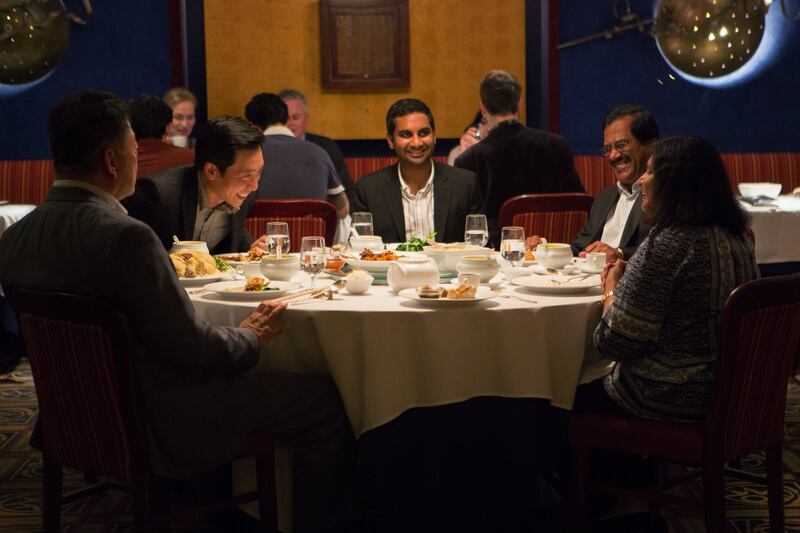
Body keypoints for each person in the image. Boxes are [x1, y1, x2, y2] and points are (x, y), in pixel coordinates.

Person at [0, 91, 360, 532]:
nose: (139, 159)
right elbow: (189, 347)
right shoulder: (126, 238)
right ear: (113, 161)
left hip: (73, 417)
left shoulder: (14, 239)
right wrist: (249, 336)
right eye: (135, 149)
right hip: (159, 415)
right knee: (321, 400)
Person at [576, 135, 759, 422]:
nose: (640, 181)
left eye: (650, 172)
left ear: (674, 184)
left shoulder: (669, 243)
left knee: (567, 393)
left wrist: (611, 287)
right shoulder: (739, 236)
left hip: (671, 397)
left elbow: (614, 343)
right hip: (739, 393)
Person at [455, 70, 584, 248]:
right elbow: (580, 205)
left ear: (483, 110)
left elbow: (466, 226)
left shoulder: (469, 159)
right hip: (555, 251)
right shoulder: (558, 145)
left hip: (498, 255)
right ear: (520, 105)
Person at [526, 105, 659, 261]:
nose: (613, 155)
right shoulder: (605, 198)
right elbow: (580, 248)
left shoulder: (661, 197)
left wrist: (619, 254)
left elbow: (662, 254)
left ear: (651, 145)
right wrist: (545, 247)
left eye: (622, 145)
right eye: (607, 149)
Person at [123, 115, 266, 255]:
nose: (254, 186)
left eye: (258, 173)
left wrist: (250, 250)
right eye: (246, 175)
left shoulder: (241, 194)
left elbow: (232, 237)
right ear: (211, 171)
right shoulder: (158, 196)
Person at [351, 98, 482, 243]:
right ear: (390, 140)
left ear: (434, 136)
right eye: (406, 135)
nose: (416, 143)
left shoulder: (465, 184)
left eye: (424, 133)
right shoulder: (368, 189)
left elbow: (479, 248)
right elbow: (358, 249)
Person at [244, 92, 349, 219]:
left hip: (259, 236)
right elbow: (343, 208)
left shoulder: (246, 154)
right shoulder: (319, 152)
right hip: (311, 236)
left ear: (253, 127)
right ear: (287, 120)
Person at [278, 88, 357, 203]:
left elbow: (347, 191)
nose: (290, 124)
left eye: (296, 118)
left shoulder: (326, 147)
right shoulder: (264, 150)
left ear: (306, 120)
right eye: (284, 119)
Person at [128, 93, 194, 178]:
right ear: (168, 127)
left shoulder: (118, 163)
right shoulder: (190, 159)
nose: (185, 124)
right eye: (178, 117)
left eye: (190, 117)